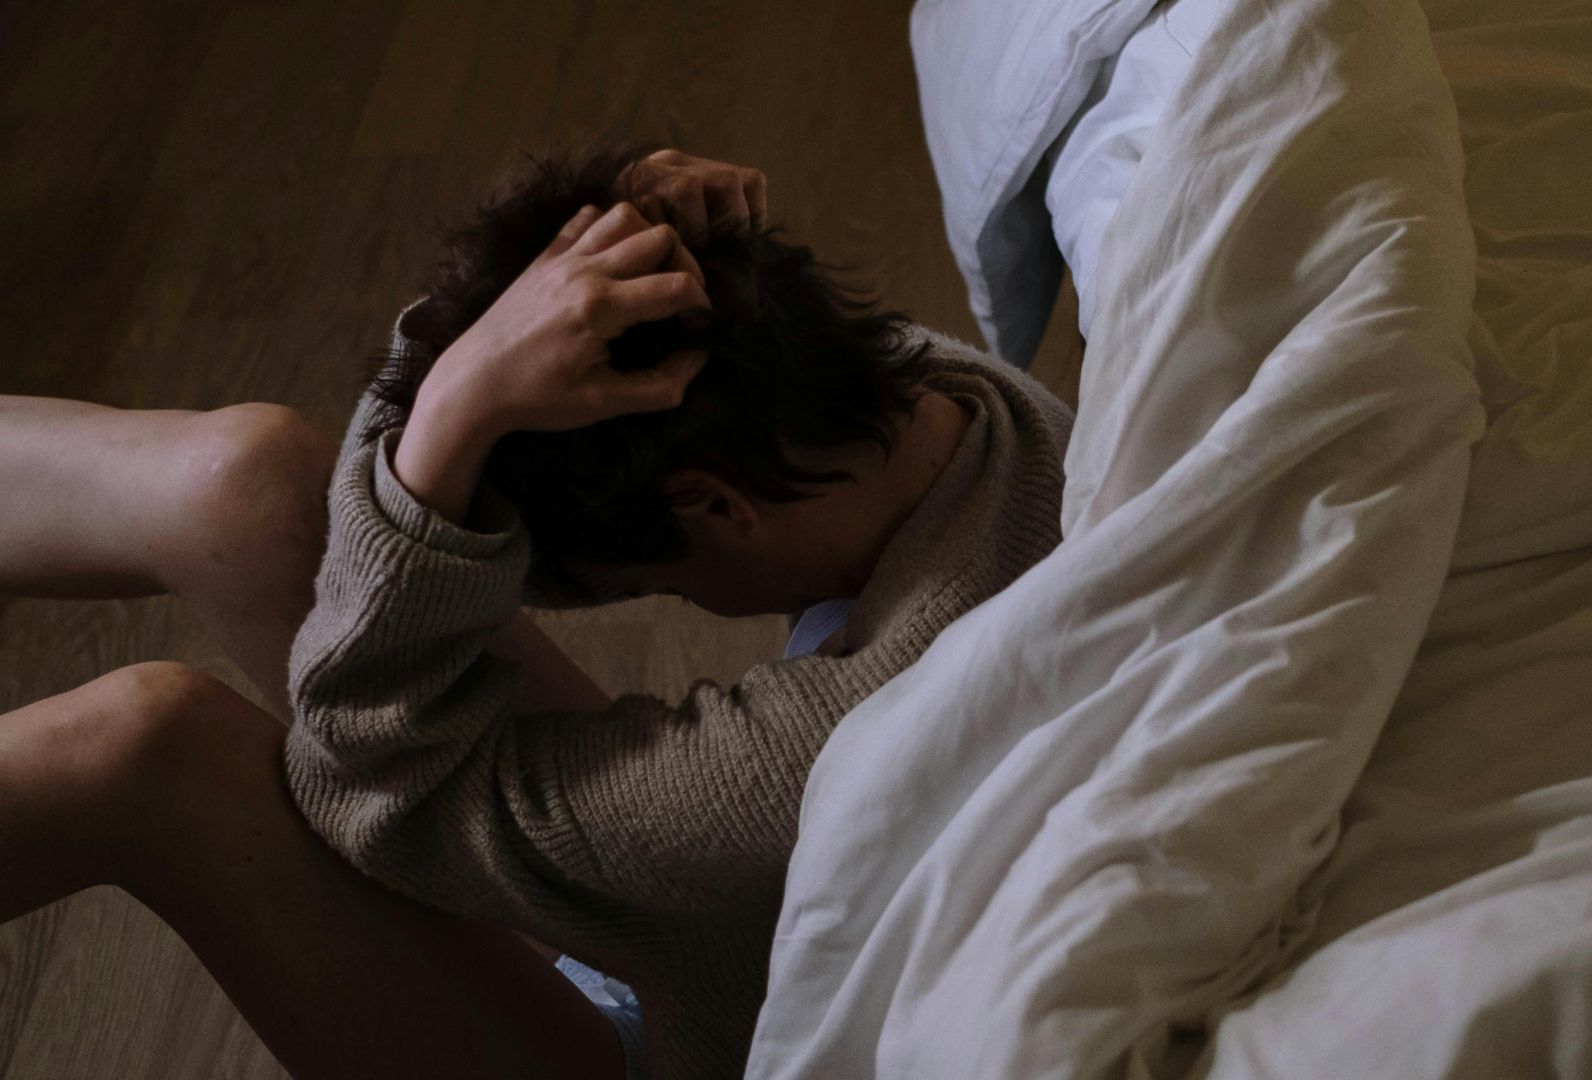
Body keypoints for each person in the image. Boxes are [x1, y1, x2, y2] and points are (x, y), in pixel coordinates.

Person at [0, 147, 1073, 1079]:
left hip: (707, 1042)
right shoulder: (983, 416)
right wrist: (593, 261)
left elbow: (370, 777)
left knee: (146, 748)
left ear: (712, 506)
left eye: (642, 581)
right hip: (713, 946)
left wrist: (453, 404)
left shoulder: (803, 765)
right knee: (251, 481)